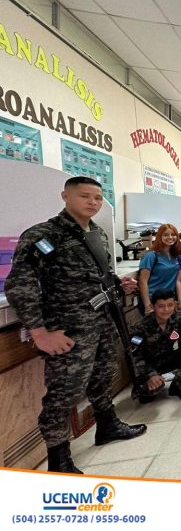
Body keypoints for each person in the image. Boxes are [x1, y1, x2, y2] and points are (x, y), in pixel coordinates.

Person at [5, 176, 146, 473]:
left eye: (97, 197)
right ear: (65, 197)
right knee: (64, 392)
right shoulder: (44, 236)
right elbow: (20, 285)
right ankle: (58, 459)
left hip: (102, 321)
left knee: (103, 375)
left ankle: (107, 425)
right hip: (68, 329)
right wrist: (40, 332)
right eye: (85, 196)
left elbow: (96, 275)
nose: (93, 203)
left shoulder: (98, 234)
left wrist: (119, 283)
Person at [130, 289, 181, 403]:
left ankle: (177, 384)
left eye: (170, 305)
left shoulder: (180, 317)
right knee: (147, 394)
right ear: (152, 306)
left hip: (172, 358)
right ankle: (162, 379)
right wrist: (150, 375)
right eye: (161, 306)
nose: (166, 310)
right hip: (152, 365)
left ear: (174, 304)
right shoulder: (140, 327)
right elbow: (135, 355)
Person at [138, 223, 181, 314]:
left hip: (168, 301)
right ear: (159, 237)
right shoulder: (151, 255)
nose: (170, 237)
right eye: (166, 235)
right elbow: (142, 282)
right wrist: (147, 305)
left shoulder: (176, 256)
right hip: (152, 301)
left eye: (173, 235)